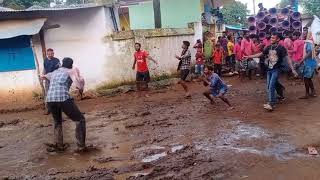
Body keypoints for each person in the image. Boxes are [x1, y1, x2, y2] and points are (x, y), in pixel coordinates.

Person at [41, 58, 87, 152]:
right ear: (71, 65)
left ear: (62, 64)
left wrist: (44, 76)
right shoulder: (71, 71)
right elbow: (79, 83)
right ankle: (81, 146)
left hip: (50, 100)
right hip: (63, 99)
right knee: (80, 120)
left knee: (57, 122)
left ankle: (59, 145)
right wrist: (81, 87)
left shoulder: (54, 72)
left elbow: (43, 76)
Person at [245, 32, 297, 111]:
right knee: (269, 86)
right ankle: (279, 91)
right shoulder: (269, 47)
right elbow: (260, 54)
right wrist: (249, 56)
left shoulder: (281, 48)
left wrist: (293, 69)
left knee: (271, 86)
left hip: (276, 70)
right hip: (269, 70)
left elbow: (288, 59)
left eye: (273, 38)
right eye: (271, 37)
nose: (271, 39)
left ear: (278, 39)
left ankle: (271, 103)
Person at [300, 32, 317, 99]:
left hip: (309, 64)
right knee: (308, 78)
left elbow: (309, 52)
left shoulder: (308, 43)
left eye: (304, 35)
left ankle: (307, 94)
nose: (302, 36)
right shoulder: (310, 42)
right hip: (311, 63)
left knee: (306, 79)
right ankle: (313, 92)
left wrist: (302, 60)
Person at [43, 48, 60, 115]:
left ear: (53, 53)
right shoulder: (45, 60)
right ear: (47, 54)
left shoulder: (56, 60)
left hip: (54, 79)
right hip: (47, 79)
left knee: (56, 93)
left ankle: (58, 108)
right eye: (49, 54)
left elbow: (59, 69)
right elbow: (44, 69)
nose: (50, 55)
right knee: (47, 94)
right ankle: (48, 109)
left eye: (51, 53)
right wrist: (43, 76)